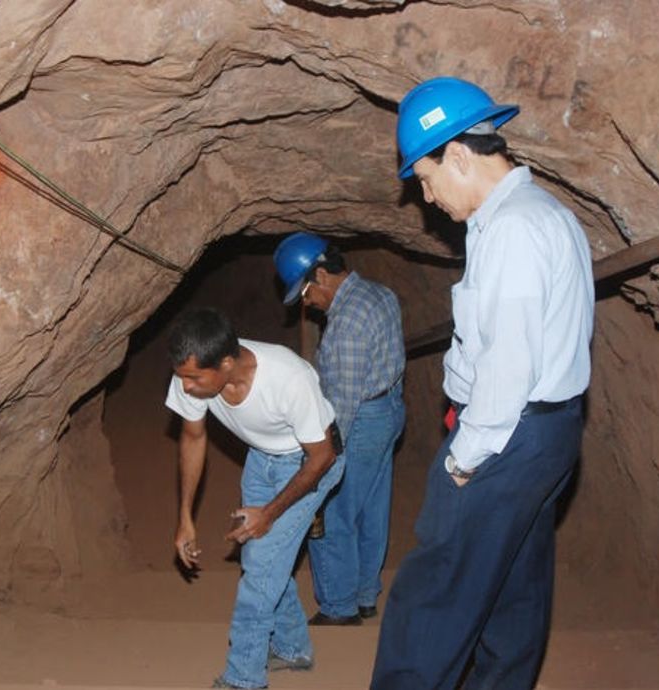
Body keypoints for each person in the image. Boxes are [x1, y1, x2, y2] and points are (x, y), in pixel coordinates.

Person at [370, 76, 595, 690]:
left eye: (426, 178)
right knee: (514, 590)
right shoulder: (543, 214)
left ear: (459, 156)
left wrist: (465, 457)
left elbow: (508, 362)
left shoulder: (513, 230)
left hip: (507, 437)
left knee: (431, 595)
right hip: (548, 434)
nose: (426, 197)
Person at [165, 307, 345, 690]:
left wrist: (270, 512)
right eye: (182, 377)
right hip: (262, 459)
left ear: (226, 364)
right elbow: (193, 438)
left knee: (261, 569)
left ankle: (244, 678)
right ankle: (292, 648)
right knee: (261, 559)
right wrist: (185, 517)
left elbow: (323, 457)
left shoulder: (288, 377)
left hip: (312, 462)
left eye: (194, 378)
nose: (186, 387)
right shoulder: (192, 373)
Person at [273, 233, 406, 625]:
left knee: (331, 511)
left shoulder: (346, 323)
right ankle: (365, 594)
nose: (306, 302)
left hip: (360, 421)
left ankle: (339, 606)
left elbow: (344, 405)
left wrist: (321, 457)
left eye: (305, 292)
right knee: (372, 507)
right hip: (389, 409)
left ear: (320, 275)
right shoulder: (380, 294)